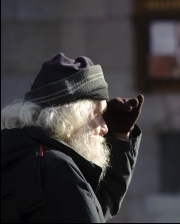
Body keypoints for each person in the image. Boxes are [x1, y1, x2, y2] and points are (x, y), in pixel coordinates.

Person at [1, 53, 145, 223]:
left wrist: (120, 137)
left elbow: (94, 206)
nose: (105, 128)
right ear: (71, 118)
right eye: (98, 114)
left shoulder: (24, 154)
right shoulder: (56, 168)